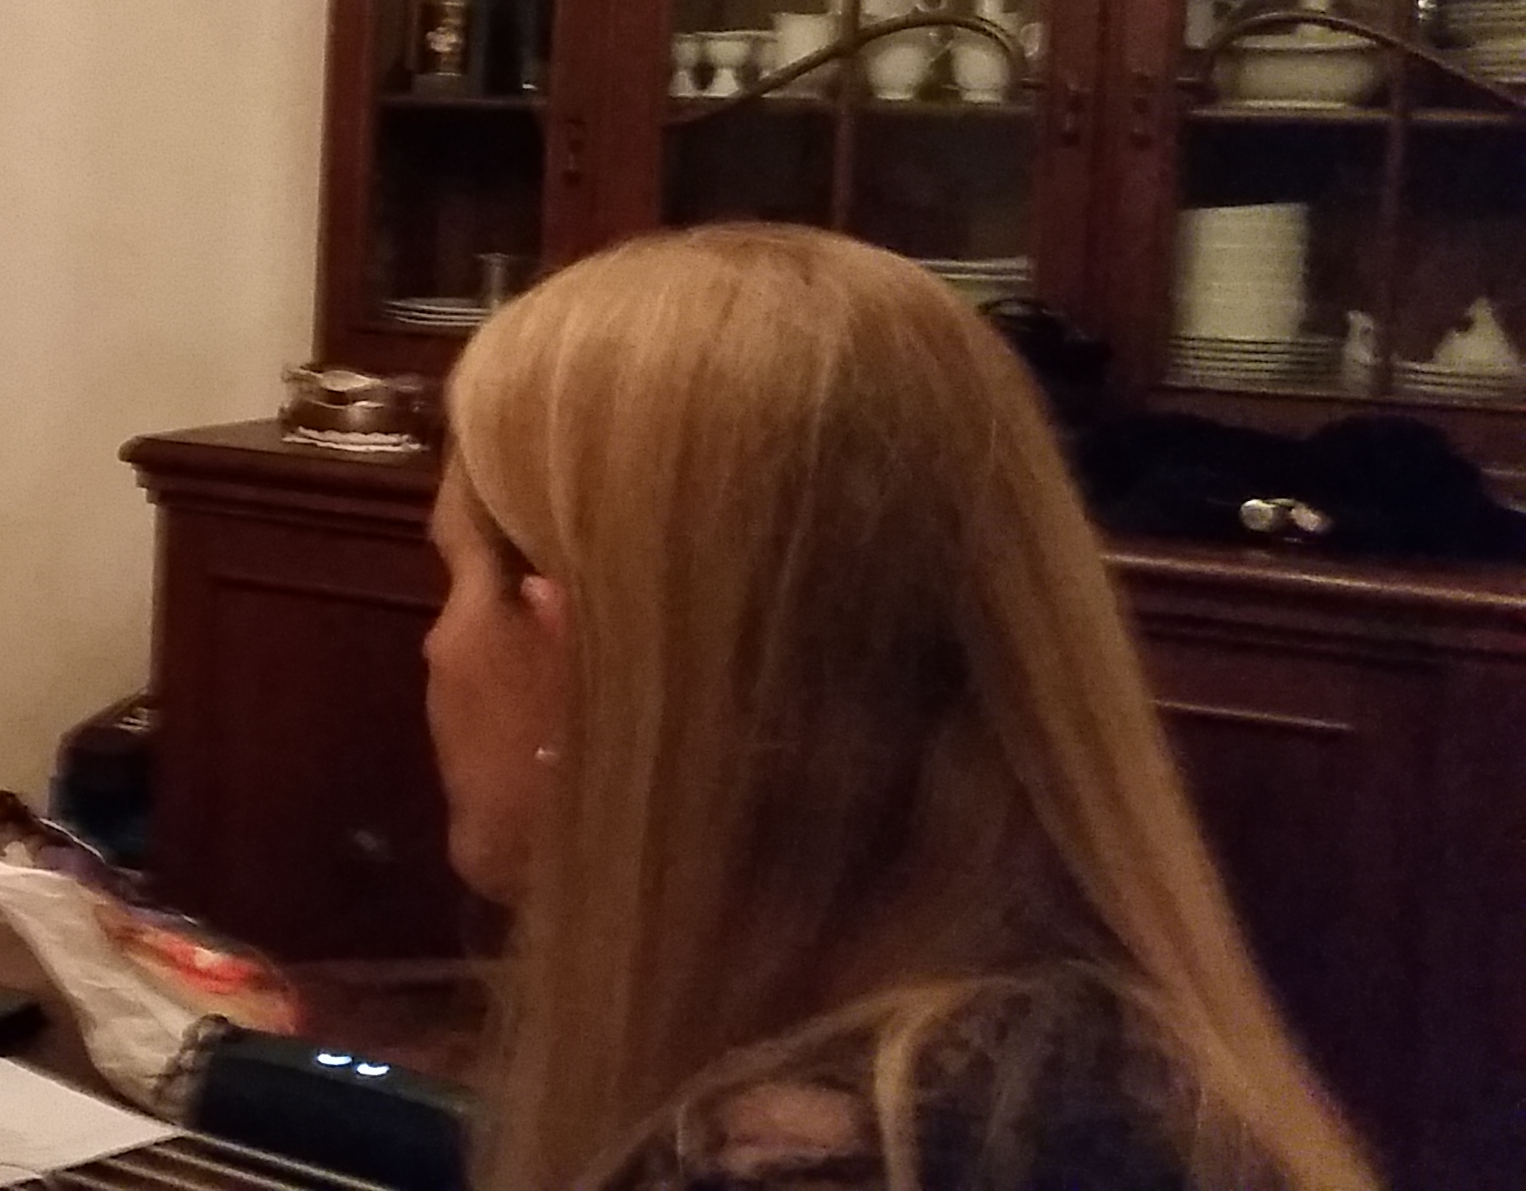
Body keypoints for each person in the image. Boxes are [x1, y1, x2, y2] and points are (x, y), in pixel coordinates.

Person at [420, 222, 1376, 1191]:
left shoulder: (805, 1162)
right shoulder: (1094, 1064)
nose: (434, 644)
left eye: (450, 577)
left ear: (582, 663)